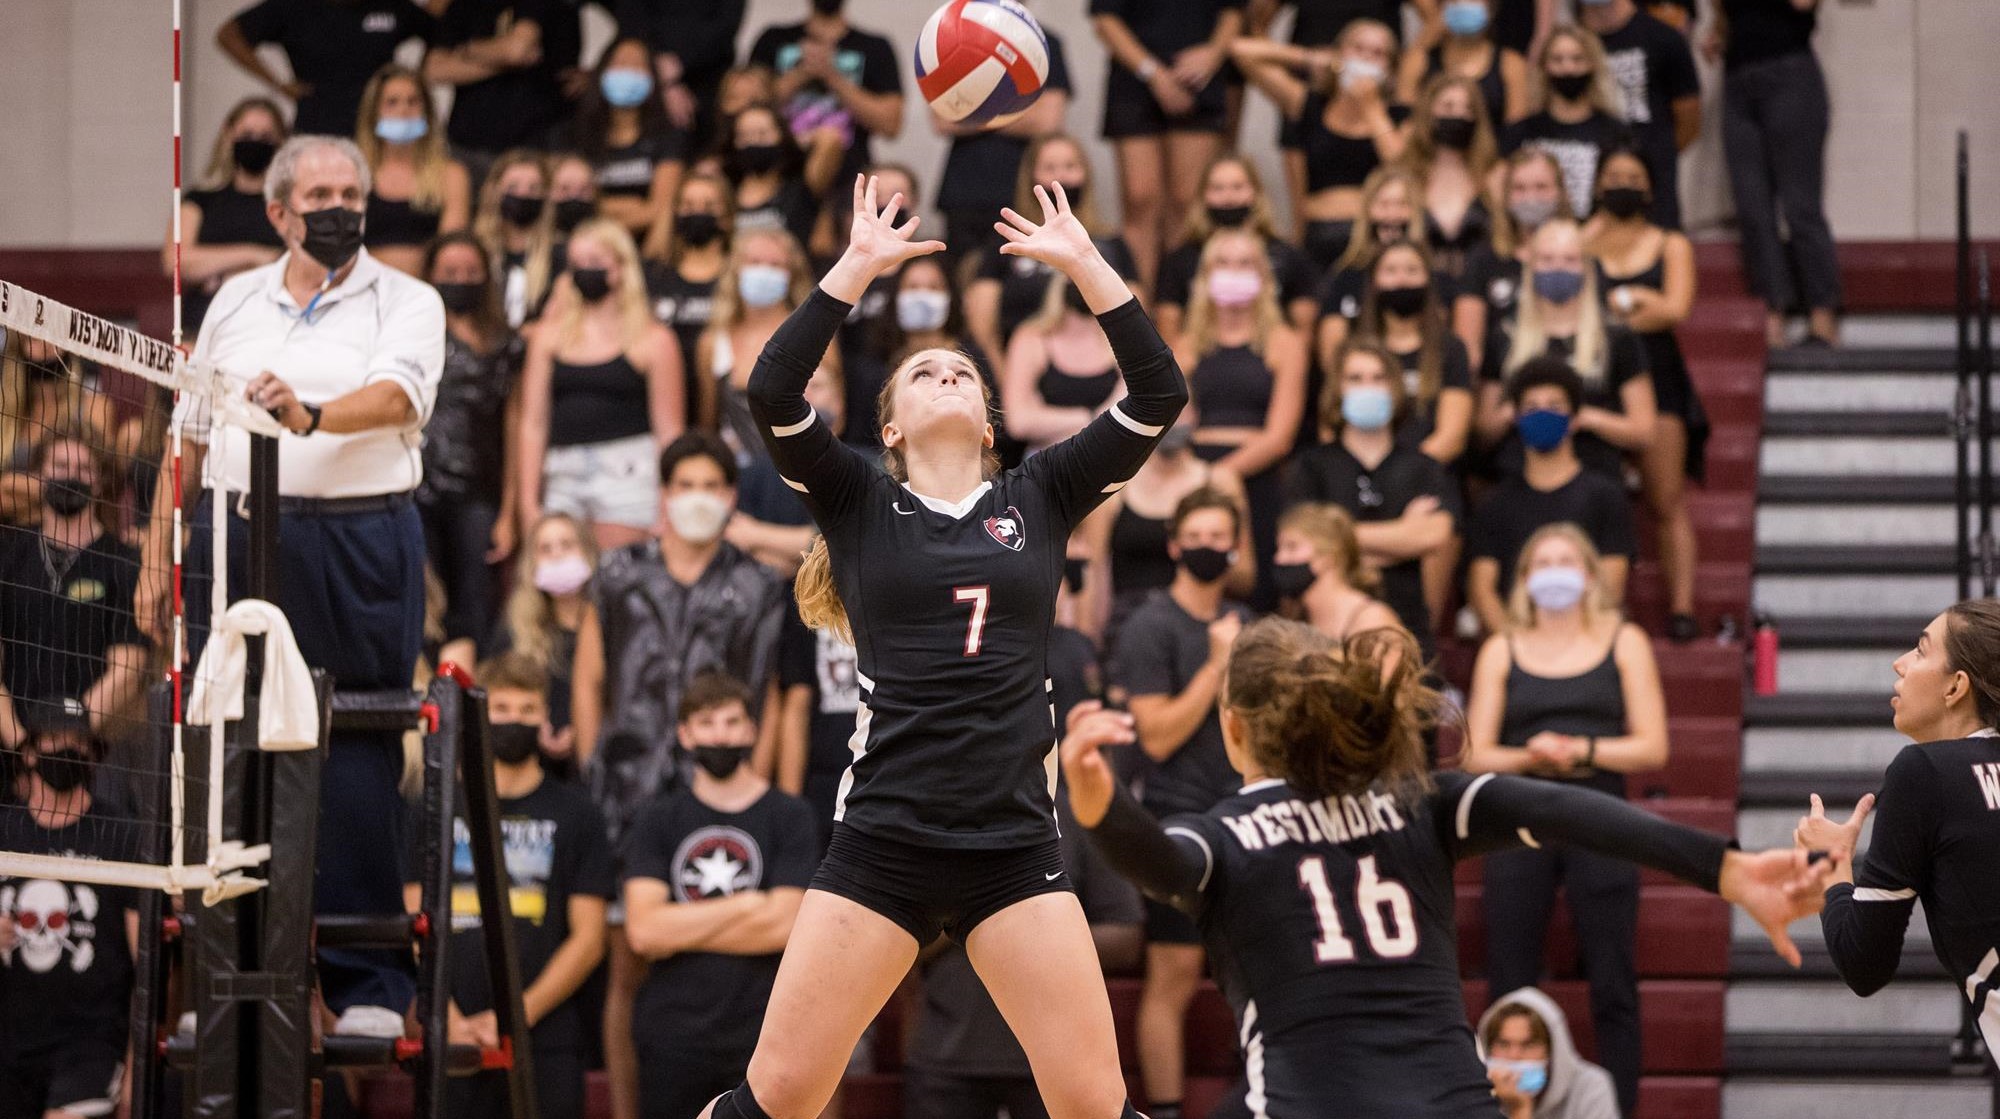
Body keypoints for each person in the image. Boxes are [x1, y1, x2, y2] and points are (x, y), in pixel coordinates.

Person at [697, 174, 1186, 1119]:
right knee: (782, 1097)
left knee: (1094, 1103)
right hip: (886, 836)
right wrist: (854, 268)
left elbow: (1160, 392)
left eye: (962, 369)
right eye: (922, 372)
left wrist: (1085, 263)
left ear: (993, 421)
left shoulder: (1039, 494)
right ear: (889, 427)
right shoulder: (856, 498)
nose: (947, 375)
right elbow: (771, 389)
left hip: (1011, 839)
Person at [1061, 615, 1831, 1117]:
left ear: (1231, 728)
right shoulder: (1420, 803)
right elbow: (1573, 811)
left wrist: (1096, 799)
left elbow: (1155, 859)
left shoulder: (1227, 835)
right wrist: (1727, 870)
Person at [144, 134, 446, 1038]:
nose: (339, 205)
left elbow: (399, 398)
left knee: (353, 738)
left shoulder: (409, 298)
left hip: (361, 539)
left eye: (350, 191)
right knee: (230, 739)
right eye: (318, 192)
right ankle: (230, 976)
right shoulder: (233, 298)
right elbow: (188, 428)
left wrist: (307, 417)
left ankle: (368, 988)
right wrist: (162, 543)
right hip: (235, 532)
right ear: (278, 212)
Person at [1461, 522, 1669, 1114]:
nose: (1556, 571)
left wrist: (1580, 750)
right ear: (1524, 580)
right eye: (1542, 561)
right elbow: (1475, 752)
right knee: (1509, 980)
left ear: (1589, 575)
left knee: (1612, 983)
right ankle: (1501, 1108)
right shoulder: (1501, 646)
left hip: (1600, 812)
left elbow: (1653, 747)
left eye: (1567, 560)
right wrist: (1533, 754)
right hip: (1518, 813)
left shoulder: (1623, 639)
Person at [1794, 600, 2000, 1065]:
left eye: (1921, 651)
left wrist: (1832, 865)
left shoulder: (1923, 773)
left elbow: (1864, 964)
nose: (1900, 662)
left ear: (1956, 688)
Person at [410, 653, 613, 1119]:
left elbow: (589, 939)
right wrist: (449, 1017)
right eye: (501, 709)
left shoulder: (578, 813)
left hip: (546, 1037)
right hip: (452, 1033)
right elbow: (414, 920)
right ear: (479, 715)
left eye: (527, 711)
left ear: (545, 717)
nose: (513, 721)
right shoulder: (434, 807)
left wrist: (517, 1014)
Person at [1109, 487, 1252, 1119]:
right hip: (1179, 821)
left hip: (1251, 818)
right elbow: (1158, 736)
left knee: (1260, 971)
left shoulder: (1251, 625)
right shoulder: (1150, 625)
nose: (1207, 548)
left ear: (1237, 547)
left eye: (1220, 537)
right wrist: (1215, 667)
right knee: (1173, 977)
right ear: (1173, 546)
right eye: (1195, 536)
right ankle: (1165, 1110)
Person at [571, 432, 788, 837]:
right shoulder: (619, 574)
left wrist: (755, 783)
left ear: (730, 495)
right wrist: (590, 768)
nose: (698, 497)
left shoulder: (758, 585)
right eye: (686, 485)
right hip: (626, 779)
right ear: (665, 492)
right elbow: (589, 679)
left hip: (721, 781)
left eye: (710, 486)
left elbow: (769, 692)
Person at [621, 672, 818, 1119]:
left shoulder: (791, 816)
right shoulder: (659, 817)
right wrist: (748, 906)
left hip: (762, 1036)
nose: (721, 735)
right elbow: (645, 931)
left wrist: (681, 925)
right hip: (672, 1035)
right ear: (685, 735)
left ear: (751, 730)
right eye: (707, 724)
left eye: (732, 723)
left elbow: (785, 927)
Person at [905, 771, 1145, 1119]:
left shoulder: (1074, 812)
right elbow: (897, 937)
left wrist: (1028, 932)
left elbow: (1125, 938)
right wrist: (962, 915)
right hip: (945, 1056)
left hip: (1054, 1059)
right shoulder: (931, 812)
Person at [1584, 148, 1704, 640]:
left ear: (1651, 189)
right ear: (1595, 186)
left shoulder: (1670, 242)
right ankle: (1608, 606)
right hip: (1597, 373)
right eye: (1613, 176)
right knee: (1595, 496)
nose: (1623, 184)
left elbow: (1674, 308)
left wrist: (1617, 307)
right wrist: (1639, 301)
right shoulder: (1576, 239)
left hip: (1659, 373)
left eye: (1634, 177)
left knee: (1666, 497)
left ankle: (1681, 609)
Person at [0, 700, 140, 1119]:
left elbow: (146, 964)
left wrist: (136, 1066)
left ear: (94, 758)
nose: (67, 752)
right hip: (9, 1044)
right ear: (30, 752)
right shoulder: (4, 828)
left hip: (90, 1044)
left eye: (79, 745)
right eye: (56, 742)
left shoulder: (122, 837)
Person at [517, 218, 686, 552]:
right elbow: (532, 424)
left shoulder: (655, 339)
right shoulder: (548, 337)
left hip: (629, 472)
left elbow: (669, 432)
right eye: (577, 264)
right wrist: (528, 502)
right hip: (562, 471)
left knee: (623, 575)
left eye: (595, 262)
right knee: (562, 577)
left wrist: (668, 502)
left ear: (622, 268)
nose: (585, 272)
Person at [1287, 339, 1459, 657]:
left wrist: (1340, 544)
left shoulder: (1424, 467)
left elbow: (1435, 534)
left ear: (1394, 388)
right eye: (1355, 379)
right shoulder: (1311, 467)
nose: (1368, 387)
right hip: (1325, 636)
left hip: (1410, 632)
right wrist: (1403, 537)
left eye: (1378, 378)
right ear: (1337, 389)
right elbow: (1302, 545)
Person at [1175, 229, 1308, 604]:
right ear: (1204, 276)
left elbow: (1281, 435)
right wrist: (1202, 474)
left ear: (1264, 276)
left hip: (1258, 474)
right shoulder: (1186, 344)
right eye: (1223, 262)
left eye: (1245, 262)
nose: (1233, 270)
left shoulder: (1285, 342)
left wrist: (1228, 472)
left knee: (1258, 588)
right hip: (1195, 471)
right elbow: (1176, 423)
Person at [0, 428, 148, 745]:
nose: (71, 477)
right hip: (14, 746)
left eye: (83, 470)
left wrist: (68, 737)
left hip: (90, 749)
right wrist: (21, 742)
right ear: (38, 475)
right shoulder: (10, 552)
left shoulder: (124, 563)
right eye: (61, 467)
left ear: (99, 482)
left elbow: (129, 669)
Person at [1464, 359, 1634, 635]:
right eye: (1531, 408)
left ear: (1575, 418)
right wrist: (1518, 648)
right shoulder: (1495, 504)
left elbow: (1610, 588)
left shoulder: (1605, 496)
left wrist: (1579, 649)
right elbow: (1483, 591)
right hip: (1516, 643)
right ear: (1515, 418)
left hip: (1589, 642)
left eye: (1555, 407)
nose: (1543, 414)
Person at [1479, 219, 1653, 481]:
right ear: (1531, 267)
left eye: (1569, 260)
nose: (1558, 268)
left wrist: (1581, 417)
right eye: (1547, 260)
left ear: (1585, 268)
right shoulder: (1504, 336)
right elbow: (1481, 432)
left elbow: (1644, 430)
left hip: (1595, 478)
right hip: (1517, 478)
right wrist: (1515, 414)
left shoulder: (1617, 337)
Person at [417, 233, 521, 669]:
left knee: (475, 601)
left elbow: (516, 427)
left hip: (480, 490)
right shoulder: (411, 337)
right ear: (430, 279)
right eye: (449, 273)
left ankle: (471, 698)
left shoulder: (506, 344)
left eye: (470, 273)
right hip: (417, 488)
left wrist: (510, 511)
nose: (460, 281)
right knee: (423, 601)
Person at [1234, 19, 1411, 272]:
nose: (1366, 59)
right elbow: (1242, 51)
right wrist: (1311, 58)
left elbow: (1401, 165)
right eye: (1358, 49)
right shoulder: (1308, 104)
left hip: (1376, 238)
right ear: (1339, 53)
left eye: (1378, 54)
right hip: (1317, 236)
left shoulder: (1398, 117)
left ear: (1391, 69)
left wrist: (1372, 107)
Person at [698, 228, 842, 534]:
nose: (764, 270)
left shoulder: (815, 334)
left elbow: (836, 415)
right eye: (755, 262)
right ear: (736, 270)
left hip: (804, 478)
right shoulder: (714, 341)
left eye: (775, 265)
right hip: (739, 481)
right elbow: (708, 420)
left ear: (792, 274)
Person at [1712, 0, 1839, 347]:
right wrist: (1717, 35)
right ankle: (1772, 309)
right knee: (1752, 207)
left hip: (1789, 72)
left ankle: (1822, 312)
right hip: (1738, 79)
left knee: (1801, 206)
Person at [1090, 0, 1243, 285]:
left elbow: (1233, 11)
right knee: (1140, 199)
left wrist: (1213, 54)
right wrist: (1153, 73)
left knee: (1189, 202)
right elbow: (1104, 18)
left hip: (1198, 76)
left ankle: (1177, 305)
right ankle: (1138, 308)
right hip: (1134, 77)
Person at [967, 135, 1142, 371]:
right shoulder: (1008, 241)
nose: (1060, 178)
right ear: (1030, 176)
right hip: (1020, 369)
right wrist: (1007, 382)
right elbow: (982, 324)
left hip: (1104, 370)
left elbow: (1136, 318)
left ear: (1086, 175)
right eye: (1049, 168)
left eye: (1070, 166)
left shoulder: (1111, 243)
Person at [1078, 423, 1255, 646]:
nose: (1169, 417)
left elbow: (1245, 574)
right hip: (1128, 621)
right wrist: (1087, 643)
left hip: (1203, 619)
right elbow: (1094, 573)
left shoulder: (1220, 480)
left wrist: (1209, 557)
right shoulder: (1112, 485)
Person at [932, 4, 1073, 268]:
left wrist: (973, 108)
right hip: (964, 189)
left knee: (1022, 280)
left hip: (1026, 185)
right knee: (961, 279)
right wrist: (1016, 109)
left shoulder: (1044, 43)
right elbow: (942, 119)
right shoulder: (953, 40)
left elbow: (1047, 122)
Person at [1152, 153, 1319, 345]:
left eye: (1238, 187)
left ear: (1255, 192)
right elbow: (1168, 332)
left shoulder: (1289, 256)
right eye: (1218, 188)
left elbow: (1303, 332)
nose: (1228, 198)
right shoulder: (1179, 261)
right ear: (1202, 195)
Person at [747, 0, 906, 192]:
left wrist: (832, 76)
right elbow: (747, 106)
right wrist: (800, 73)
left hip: (848, 177)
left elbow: (891, 124)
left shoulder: (875, 47)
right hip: (777, 173)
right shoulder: (773, 39)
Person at [216, 0, 435, 137]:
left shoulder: (390, 6)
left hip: (380, 130)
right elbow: (229, 35)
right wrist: (278, 84)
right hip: (318, 125)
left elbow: (437, 32)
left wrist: (414, 81)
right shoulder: (294, 7)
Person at [490, 513, 599, 777]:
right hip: (532, 758)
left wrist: (583, 729)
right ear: (531, 562)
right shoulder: (514, 626)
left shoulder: (609, 620)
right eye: (545, 548)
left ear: (588, 552)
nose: (557, 555)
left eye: (567, 544)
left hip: (597, 754)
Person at [171, 97, 288, 339]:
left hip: (272, 330)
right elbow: (176, 259)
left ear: (280, 141)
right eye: (247, 133)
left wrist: (220, 273)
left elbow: (293, 264)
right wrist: (255, 256)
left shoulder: (290, 205)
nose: (255, 142)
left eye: (266, 136)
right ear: (228, 134)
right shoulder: (200, 200)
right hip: (203, 330)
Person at [423, 0, 573, 184]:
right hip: (468, 146)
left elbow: (517, 50)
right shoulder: (461, 6)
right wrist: (506, 59)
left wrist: (466, 50)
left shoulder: (541, 6)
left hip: (535, 144)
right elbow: (434, 70)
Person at [1353, 241, 1476, 466]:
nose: (1401, 280)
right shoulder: (1354, 350)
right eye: (1390, 271)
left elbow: (1452, 437)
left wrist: (1403, 475)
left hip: (1429, 477)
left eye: (1412, 270)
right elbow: (1332, 425)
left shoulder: (1450, 349)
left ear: (1429, 280)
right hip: (1361, 475)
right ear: (1373, 281)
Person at [1579, 0, 1699, 230]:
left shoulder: (1663, 38)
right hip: (1592, 181)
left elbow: (1690, 119)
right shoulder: (1573, 45)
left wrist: (1654, 156)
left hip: (1654, 182)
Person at [1456, 148, 1571, 378]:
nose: (1531, 197)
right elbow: (1469, 351)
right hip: (1501, 385)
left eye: (1541, 187)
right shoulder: (1484, 259)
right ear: (1507, 196)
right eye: (1520, 188)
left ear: (1560, 193)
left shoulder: (1581, 255)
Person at [354, 64, 473, 277]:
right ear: (373, 112)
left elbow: (450, 252)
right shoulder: (353, 173)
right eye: (392, 102)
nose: (403, 111)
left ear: (427, 111)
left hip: (426, 291)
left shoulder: (451, 175)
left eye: (413, 101)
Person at [1501, 27, 1631, 219]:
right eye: (1557, 59)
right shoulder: (1520, 132)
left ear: (1593, 65)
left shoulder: (1616, 131)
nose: (1568, 68)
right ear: (1544, 66)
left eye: (1578, 59)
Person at [568, 37, 689, 243]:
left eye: (637, 65)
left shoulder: (669, 137)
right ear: (601, 73)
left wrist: (600, 210)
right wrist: (632, 205)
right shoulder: (574, 136)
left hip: (645, 249)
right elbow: (569, 207)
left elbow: (661, 210)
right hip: (586, 249)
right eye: (620, 63)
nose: (627, 71)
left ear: (653, 80)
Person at [1001, 275, 1128, 459]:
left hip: (1111, 458)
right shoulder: (1032, 337)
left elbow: (1135, 411)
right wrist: (1095, 416)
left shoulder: (1121, 337)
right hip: (1048, 460)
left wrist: (1048, 419)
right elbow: (1019, 423)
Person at [647, 173, 736, 414]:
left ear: (727, 217)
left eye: (709, 206)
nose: (698, 213)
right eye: (688, 205)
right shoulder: (653, 276)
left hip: (725, 409)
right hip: (663, 402)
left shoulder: (739, 277)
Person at [1400, 76, 1502, 280]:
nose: (1459, 115)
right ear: (1428, 112)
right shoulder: (1405, 176)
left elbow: (1506, 239)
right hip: (1419, 290)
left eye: (1468, 109)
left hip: (1479, 287)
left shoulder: (1495, 175)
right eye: (1448, 106)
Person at [614, 0, 750, 149]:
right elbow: (631, 19)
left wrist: (679, 65)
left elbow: (726, 25)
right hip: (645, 75)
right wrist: (657, 66)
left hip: (709, 78)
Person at [1475, 988, 1622, 1119]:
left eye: (1528, 1045)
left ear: (1552, 1050)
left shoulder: (1591, 1087)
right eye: (1503, 1044)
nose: (1514, 1056)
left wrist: (1521, 1109)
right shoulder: (1476, 1093)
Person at [1273, 502, 1405, 641]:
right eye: (1279, 548)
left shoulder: (1371, 622)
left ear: (1329, 554)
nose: (1279, 559)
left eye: (1292, 547)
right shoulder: (1296, 619)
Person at [719, 105, 840, 252]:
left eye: (762, 134)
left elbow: (830, 137)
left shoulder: (800, 185)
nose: (754, 141)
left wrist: (793, 142)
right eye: (744, 135)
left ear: (781, 135)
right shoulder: (726, 187)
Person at [1397, 0, 1527, 126]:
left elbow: (1516, 133)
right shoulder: (1418, 61)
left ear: (1491, 8)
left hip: (1497, 147)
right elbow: (1404, 125)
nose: (1464, 4)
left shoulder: (1511, 63)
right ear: (1442, 7)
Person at [472, 150, 558, 329]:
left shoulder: (560, 253)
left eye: (534, 188)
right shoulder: (474, 249)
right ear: (493, 191)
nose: (523, 195)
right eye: (512, 187)